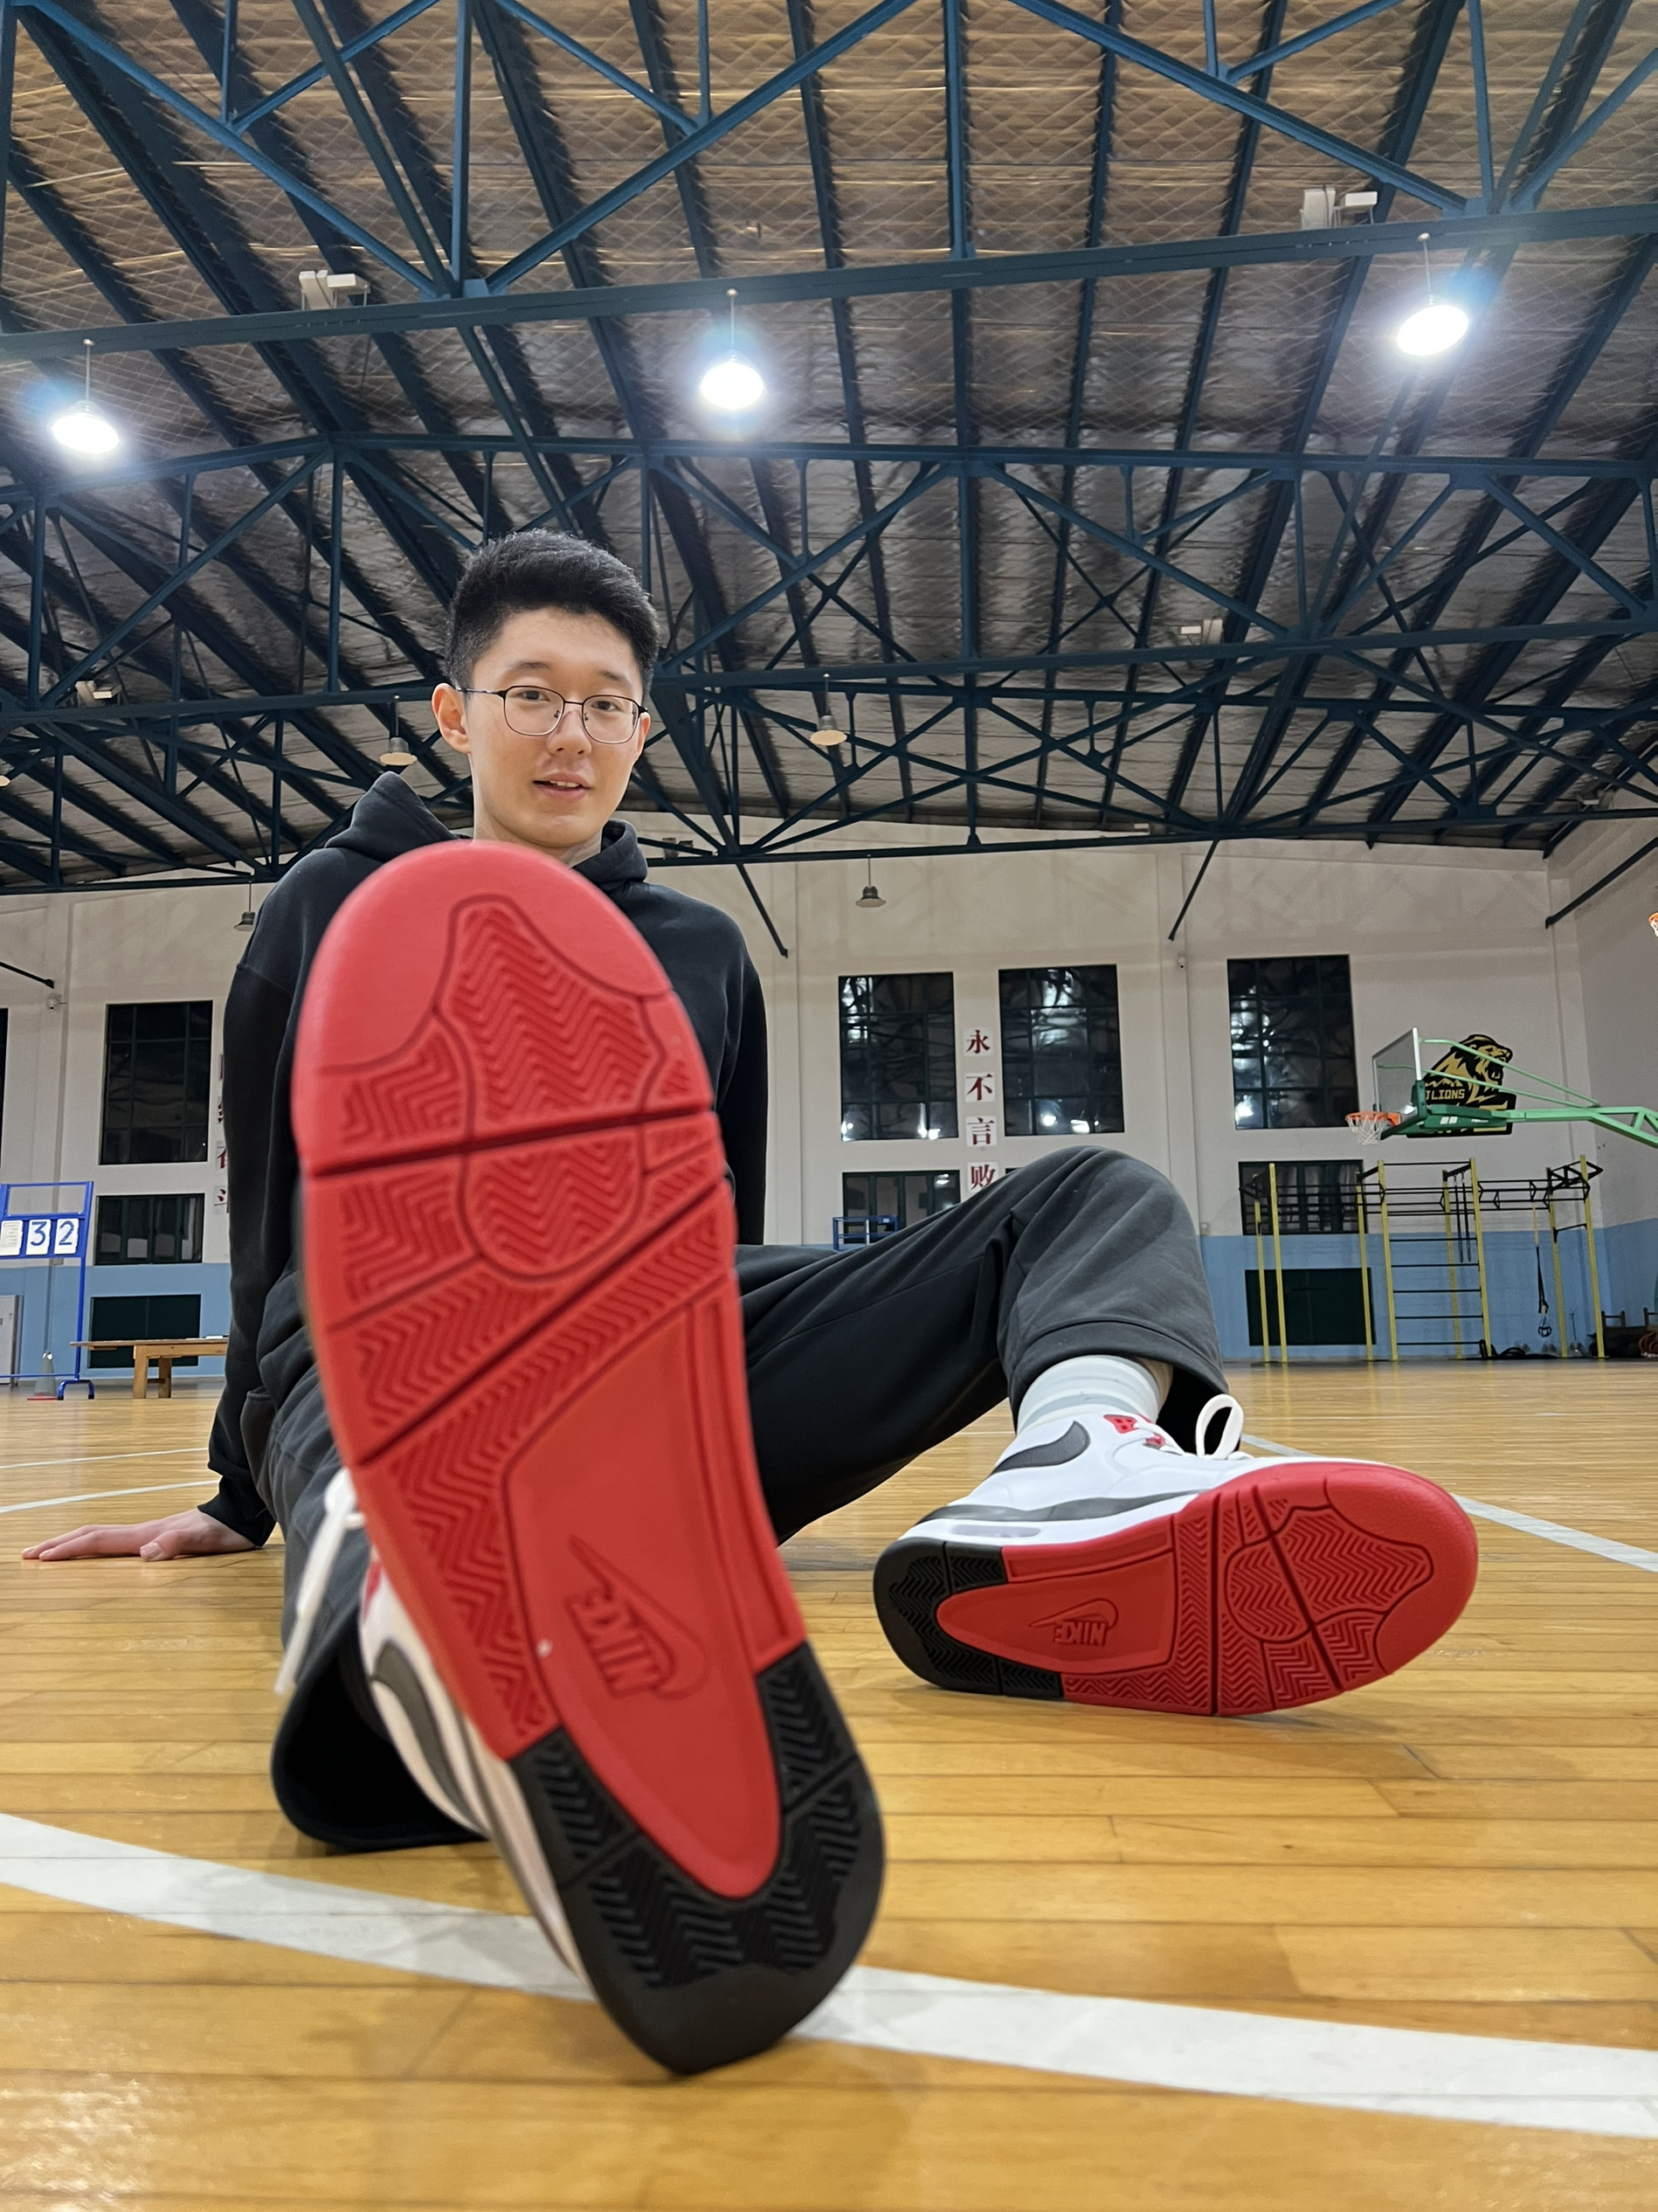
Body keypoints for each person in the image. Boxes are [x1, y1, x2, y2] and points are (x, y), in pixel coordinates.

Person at [25, 530, 1478, 2072]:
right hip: (391, 1353)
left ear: (643, 728)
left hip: (655, 1379)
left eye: (605, 702)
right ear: (454, 716)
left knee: (1096, 1191)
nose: (570, 733)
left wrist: (726, 1441)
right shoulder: (332, 902)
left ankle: (1074, 1476)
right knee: (380, 1399)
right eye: (531, 694)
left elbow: (712, 1219)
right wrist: (240, 1490)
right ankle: (427, 1644)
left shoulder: (700, 948)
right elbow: (268, 1212)